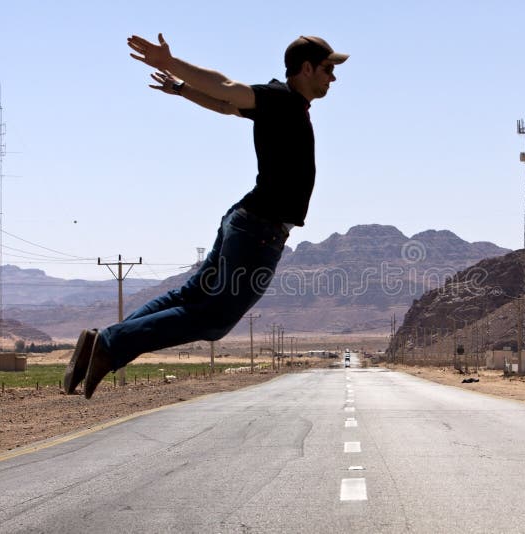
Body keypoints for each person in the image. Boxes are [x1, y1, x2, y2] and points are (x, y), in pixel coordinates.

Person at [63, 34, 348, 399]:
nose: (333, 78)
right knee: (214, 319)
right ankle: (109, 343)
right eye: (328, 69)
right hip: (258, 230)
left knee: (190, 295)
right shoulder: (282, 100)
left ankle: (101, 343)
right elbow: (228, 88)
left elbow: (227, 107)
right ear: (306, 68)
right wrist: (169, 62)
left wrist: (182, 89)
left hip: (244, 221)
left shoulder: (285, 105)